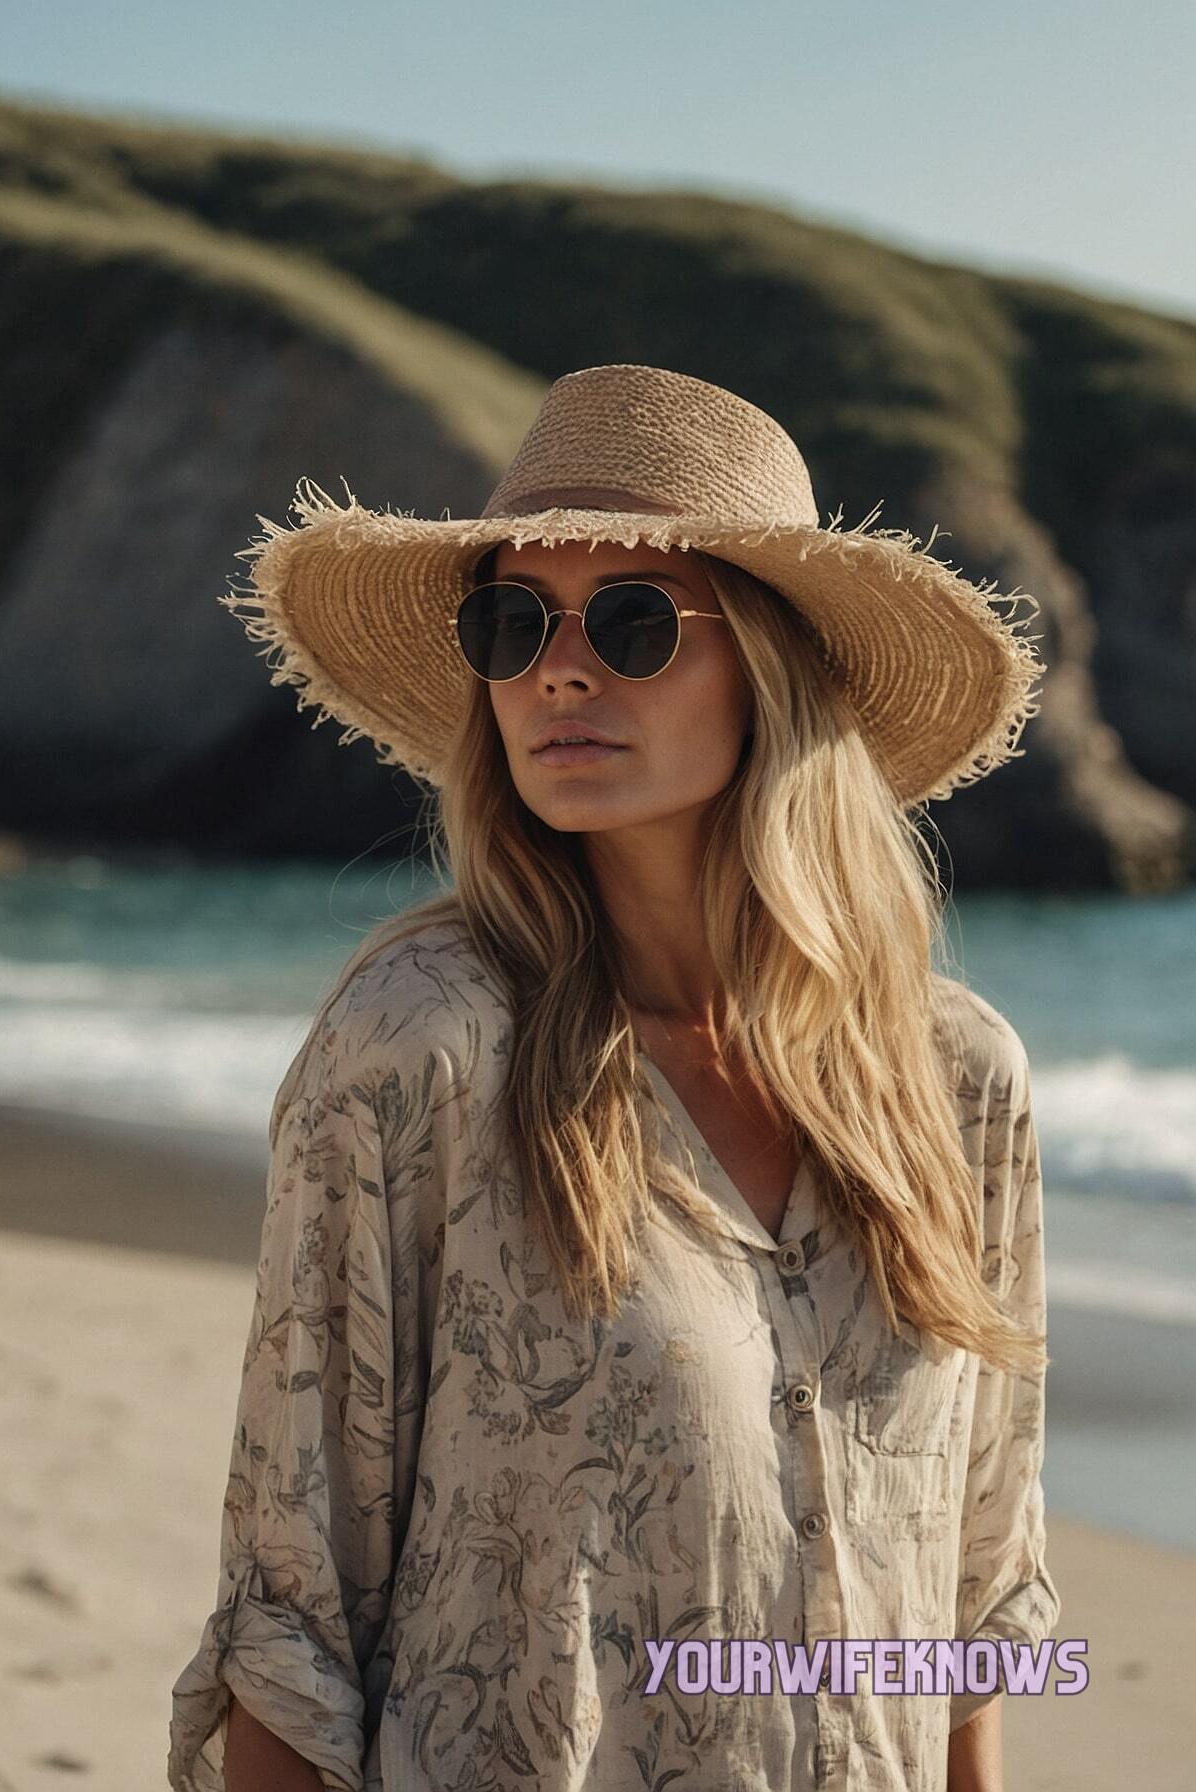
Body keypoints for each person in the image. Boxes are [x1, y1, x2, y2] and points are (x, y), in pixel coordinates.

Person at [167, 364, 1060, 1791]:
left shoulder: (958, 1084)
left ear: (774, 672)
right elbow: (294, 1616)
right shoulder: (421, 1045)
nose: (557, 672)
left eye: (636, 623)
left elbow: (975, 1599)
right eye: (511, 625)